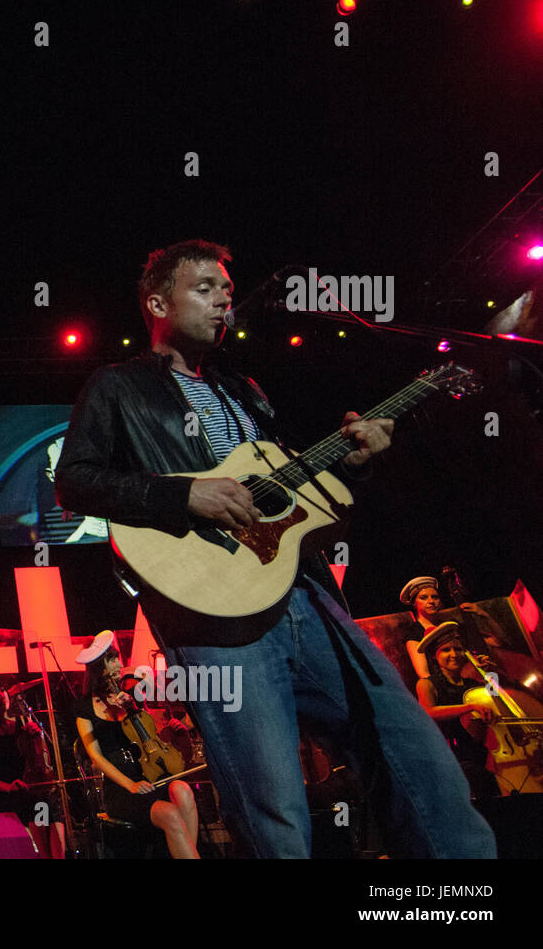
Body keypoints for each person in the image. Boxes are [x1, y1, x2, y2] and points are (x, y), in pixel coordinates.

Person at [54, 239, 496, 857]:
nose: (223, 301)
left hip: (309, 600)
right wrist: (185, 497)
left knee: (416, 760)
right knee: (275, 812)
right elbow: (74, 479)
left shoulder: (248, 391)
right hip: (217, 619)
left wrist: (357, 462)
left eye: (227, 292)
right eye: (204, 288)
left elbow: (292, 499)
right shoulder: (118, 386)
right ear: (157, 302)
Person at [74, 632, 199, 858]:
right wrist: (130, 784)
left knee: (183, 790)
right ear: (100, 666)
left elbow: (147, 736)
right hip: (122, 789)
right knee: (170, 814)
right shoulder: (84, 707)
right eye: (113, 660)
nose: (120, 664)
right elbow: (96, 756)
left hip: (148, 777)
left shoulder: (125, 698)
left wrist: (132, 710)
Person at [0, 670, 66, 858]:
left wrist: (38, 737)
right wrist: (8, 788)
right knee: (37, 851)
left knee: (56, 844)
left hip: (34, 793)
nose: (1, 696)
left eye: (2, 691)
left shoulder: (22, 723)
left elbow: (42, 760)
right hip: (9, 798)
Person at [413, 623, 501, 799]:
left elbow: (496, 699)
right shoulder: (427, 684)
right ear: (434, 657)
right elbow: (429, 711)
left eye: (458, 649)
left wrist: (489, 673)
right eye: (446, 650)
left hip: (482, 753)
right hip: (452, 756)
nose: (454, 654)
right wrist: (468, 707)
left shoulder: (472, 685)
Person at [400, 575, 505, 681]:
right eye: (423, 597)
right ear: (414, 603)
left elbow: (498, 642)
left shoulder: (452, 625)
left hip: (472, 680)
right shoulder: (414, 633)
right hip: (447, 685)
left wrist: (484, 615)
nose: (431, 601)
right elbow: (424, 673)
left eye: (435, 597)